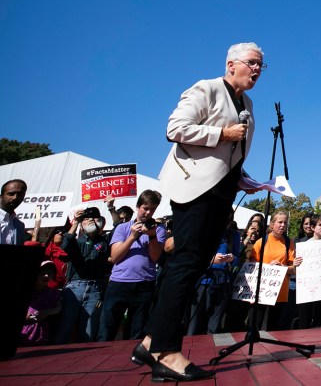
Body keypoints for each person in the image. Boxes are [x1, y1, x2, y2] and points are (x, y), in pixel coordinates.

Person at [135, 41, 265, 382]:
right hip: (194, 191)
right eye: (252, 63)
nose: (256, 70)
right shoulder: (206, 88)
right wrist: (221, 132)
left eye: (260, 66)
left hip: (221, 193)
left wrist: (243, 179)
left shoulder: (247, 103)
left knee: (190, 268)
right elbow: (175, 129)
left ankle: (150, 341)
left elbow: (227, 157)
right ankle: (166, 352)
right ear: (231, 63)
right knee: (186, 265)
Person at [98, 189, 165, 342]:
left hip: (144, 284)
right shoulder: (122, 228)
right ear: (138, 207)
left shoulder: (158, 230)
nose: (148, 212)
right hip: (119, 282)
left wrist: (152, 236)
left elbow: (155, 257)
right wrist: (133, 236)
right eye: (145, 208)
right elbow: (115, 257)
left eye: (152, 209)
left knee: (137, 331)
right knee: (107, 328)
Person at [55, 206, 111, 344]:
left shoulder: (104, 241)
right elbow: (65, 246)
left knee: (88, 329)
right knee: (65, 325)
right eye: (86, 219)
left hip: (95, 287)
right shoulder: (76, 240)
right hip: (75, 285)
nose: (90, 221)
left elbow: (118, 226)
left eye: (94, 218)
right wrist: (75, 222)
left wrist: (110, 207)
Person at [186, 221, 242, 335]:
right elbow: (192, 256)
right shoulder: (204, 231)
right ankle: (190, 350)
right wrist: (211, 260)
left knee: (214, 325)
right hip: (204, 281)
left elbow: (237, 260)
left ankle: (211, 350)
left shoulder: (234, 235)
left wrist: (232, 259)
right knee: (195, 323)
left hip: (223, 282)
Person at [296, 213, 321, 329]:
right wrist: (296, 264)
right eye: (320, 225)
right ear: (313, 227)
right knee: (305, 320)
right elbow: (299, 268)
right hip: (306, 290)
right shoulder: (304, 245)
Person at [19, 261, 62, 347]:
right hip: (23, 332)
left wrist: (47, 312)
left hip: (40, 334)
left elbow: (58, 308)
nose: (46, 276)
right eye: (43, 273)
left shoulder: (53, 293)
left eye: (50, 274)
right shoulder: (25, 291)